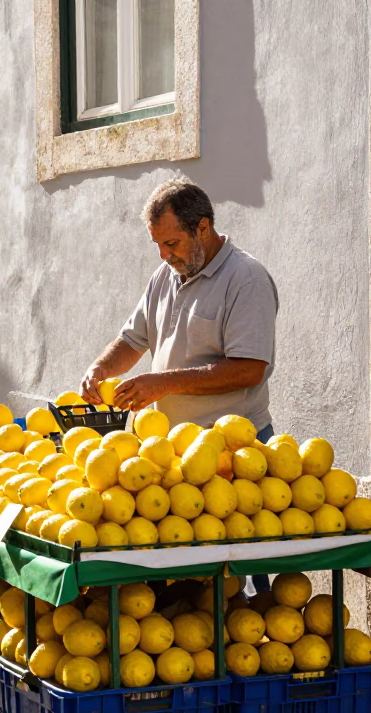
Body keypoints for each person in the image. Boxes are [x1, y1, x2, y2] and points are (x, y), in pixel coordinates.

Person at [79, 177, 279, 594]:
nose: (164, 254)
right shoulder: (165, 277)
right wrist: (101, 368)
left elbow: (249, 369)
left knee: (243, 581)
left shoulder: (246, 280)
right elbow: (133, 339)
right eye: (157, 245)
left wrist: (163, 383)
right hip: (170, 457)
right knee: (189, 588)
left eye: (171, 243)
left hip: (233, 456)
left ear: (202, 228)